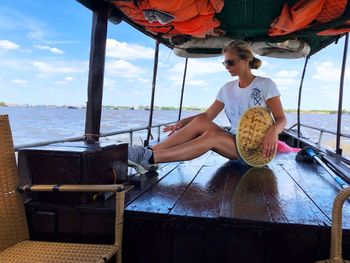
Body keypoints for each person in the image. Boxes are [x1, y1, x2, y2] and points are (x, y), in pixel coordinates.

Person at [128, 40, 287, 174]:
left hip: (256, 150)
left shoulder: (265, 84)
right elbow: (207, 116)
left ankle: (152, 158)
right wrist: (184, 121)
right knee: (199, 123)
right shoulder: (227, 89)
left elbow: (281, 119)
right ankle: (148, 153)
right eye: (225, 62)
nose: (226, 66)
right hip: (235, 142)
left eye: (230, 62)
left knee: (211, 136)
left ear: (245, 60)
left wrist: (273, 131)